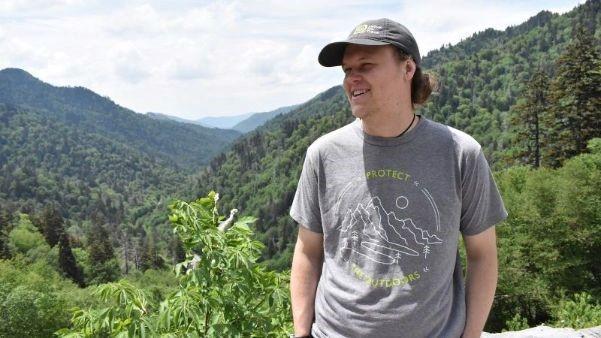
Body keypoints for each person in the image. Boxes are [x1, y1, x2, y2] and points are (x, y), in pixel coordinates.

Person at [289, 18, 507, 338]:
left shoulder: (460, 153)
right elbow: (308, 251)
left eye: (366, 65)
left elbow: (483, 255)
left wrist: (471, 334)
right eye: (348, 70)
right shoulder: (324, 154)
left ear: (408, 69)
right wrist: (301, 332)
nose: (353, 78)